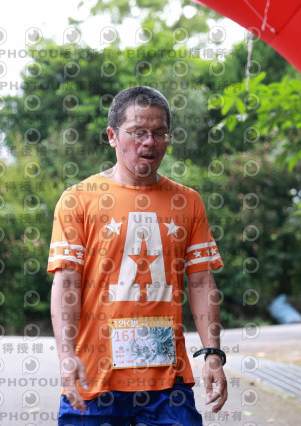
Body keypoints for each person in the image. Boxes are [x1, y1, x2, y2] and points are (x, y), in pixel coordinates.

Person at [48, 86, 227, 425]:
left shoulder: (187, 202)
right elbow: (67, 282)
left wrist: (213, 353)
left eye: (160, 133)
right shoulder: (78, 200)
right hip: (94, 378)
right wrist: (66, 355)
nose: (150, 142)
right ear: (112, 136)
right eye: (138, 131)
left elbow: (202, 281)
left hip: (167, 382)